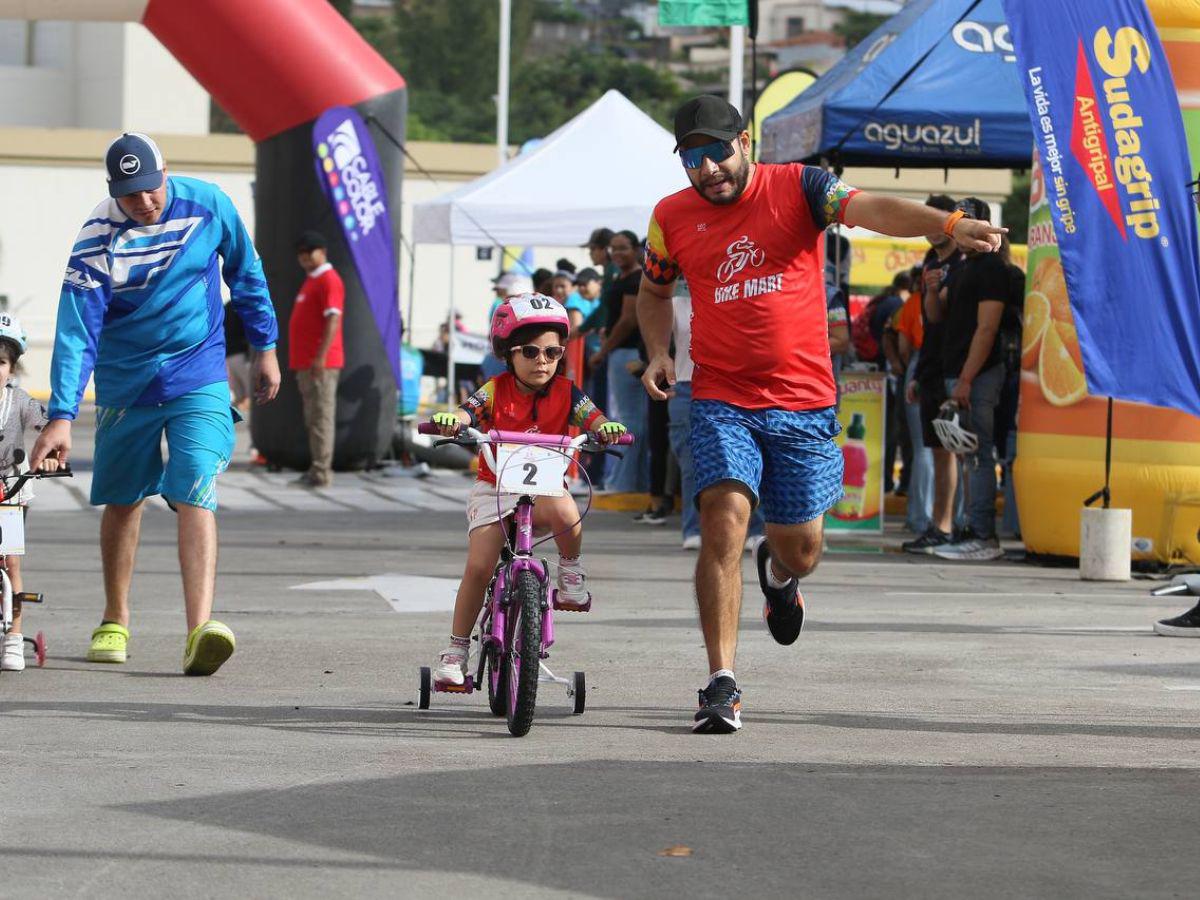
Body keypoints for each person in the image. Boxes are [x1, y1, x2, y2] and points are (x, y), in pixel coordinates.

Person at [636, 96, 1002, 733]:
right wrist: (660, 351)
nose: (706, 169)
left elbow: (872, 209)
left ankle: (780, 578)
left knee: (801, 549)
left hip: (803, 402)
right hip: (721, 396)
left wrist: (945, 225)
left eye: (716, 152)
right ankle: (720, 682)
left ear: (744, 141)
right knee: (722, 521)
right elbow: (653, 290)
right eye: (691, 158)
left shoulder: (800, 187)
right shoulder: (670, 217)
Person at [31, 132, 280, 676]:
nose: (143, 203)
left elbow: (247, 275)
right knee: (124, 499)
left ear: (166, 175)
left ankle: (199, 631)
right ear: (112, 191)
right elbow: (77, 331)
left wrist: (265, 348)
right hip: (126, 382)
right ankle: (115, 616)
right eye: (129, 194)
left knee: (196, 485)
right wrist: (63, 415)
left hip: (199, 370)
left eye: (150, 189)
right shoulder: (98, 236)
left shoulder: (208, 203)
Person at [427, 294, 626, 685]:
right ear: (507, 352)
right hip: (495, 487)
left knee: (570, 515)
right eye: (531, 351)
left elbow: (594, 417)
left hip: (546, 487)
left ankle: (569, 576)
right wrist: (455, 419)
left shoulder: (568, 392)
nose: (542, 361)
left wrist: (605, 428)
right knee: (480, 565)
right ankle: (455, 651)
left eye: (553, 352)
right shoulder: (496, 389)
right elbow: (470, 410)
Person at [928, 197, 1009, 561]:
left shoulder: (991, 267)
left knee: (977, 455)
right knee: (966, 456)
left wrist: (966, 378)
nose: (959, 228)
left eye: (965, 221)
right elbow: (936, 314)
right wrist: (930, 288)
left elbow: (987, 329)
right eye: (955, 220)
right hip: (956, 373)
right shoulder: (962, 268)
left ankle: (982, 535)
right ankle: (967, 529)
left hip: (977, 375)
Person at [902, 194, 966, 555]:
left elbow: (955, 318)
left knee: (952, 451)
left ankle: (948, 524)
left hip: (955, 367)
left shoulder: (963, 260)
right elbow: (932, 319)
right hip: (930, 365)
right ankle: (938, 524)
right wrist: (918, 373)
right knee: (937, 449)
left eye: (936, 220)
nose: (930, 229)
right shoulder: (931, 260)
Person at [0, 316, 60, 672]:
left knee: (11, 562)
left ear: (12, 367)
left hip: (10, 491)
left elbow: (46, 427)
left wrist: (51, 456)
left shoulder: (18, 401)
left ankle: (12, 640)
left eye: (1, 362)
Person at [589, 230, 649, 494]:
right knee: (630, 418)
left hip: (627, 352)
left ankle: (624, 482)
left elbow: (628, 320)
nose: (618, 253)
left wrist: (604, 349)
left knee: (629, 420)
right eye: (614, 248)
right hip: (622, 351)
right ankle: (628, 480)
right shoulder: (621, 277)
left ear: (636, 249)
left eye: (624, 248)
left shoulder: (635, 278)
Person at [289, 230, 344, 489]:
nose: (304, 258)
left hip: (320, 363)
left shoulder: (328, 279)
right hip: (307, 362)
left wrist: (321, 357)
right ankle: (316, 467)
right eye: (300, 254)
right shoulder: (312, 279)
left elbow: (333, 318)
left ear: (322, 252)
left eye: (308, 252)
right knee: (313, 418)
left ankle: (322, 471)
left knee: (321, 417)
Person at [893, 268, 934, 535]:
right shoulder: (947, 299)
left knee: (922, 449)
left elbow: (903, 346)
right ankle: (944, 518)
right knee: (946, 452)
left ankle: (918, 517)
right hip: (946, 365)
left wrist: (910, 369)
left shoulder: (911, 303)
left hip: (918, 365)